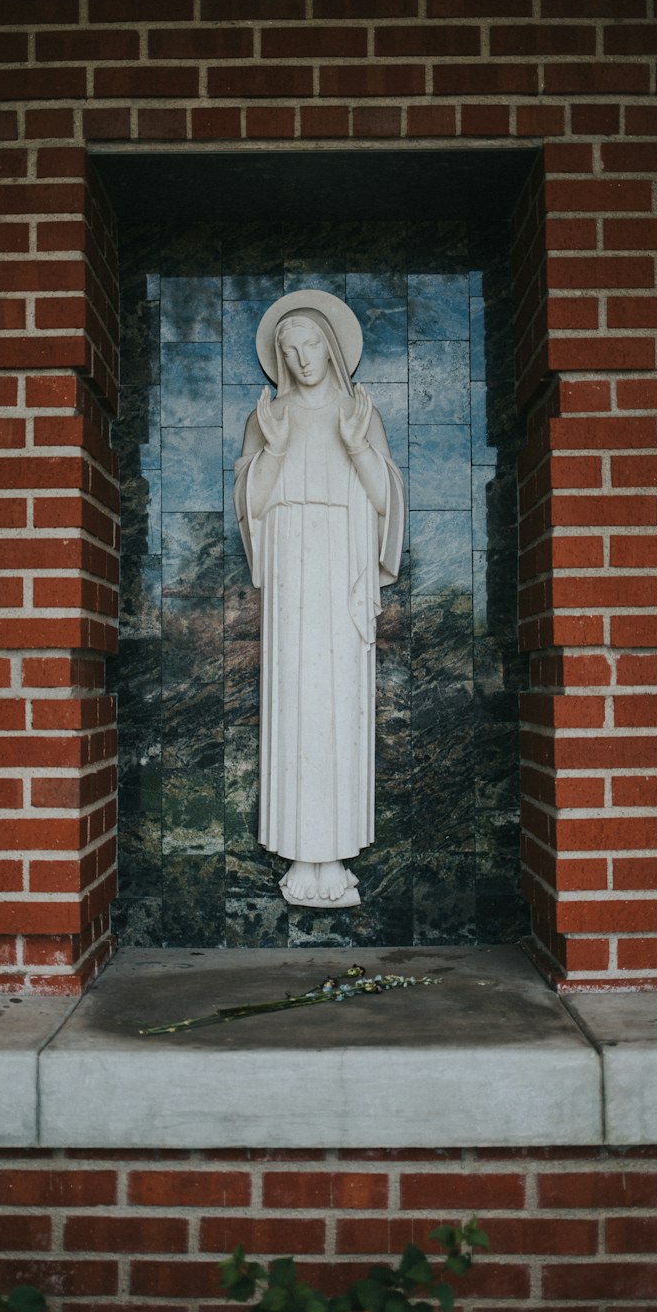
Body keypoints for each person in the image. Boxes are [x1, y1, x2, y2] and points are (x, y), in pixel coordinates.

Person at [234, 290, 405, 908]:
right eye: (289, 350)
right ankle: (302, 856)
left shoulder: (359, 409)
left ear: (331, 348)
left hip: (340, 577)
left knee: (338, 707)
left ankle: (333, 857)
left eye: (310, 345)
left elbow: (386, 505)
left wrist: (359, 445)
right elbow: (251, 508)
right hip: (290, 585)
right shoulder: (268, 416)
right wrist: (275, 446)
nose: (302, 359)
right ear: (278, 359)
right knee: (295, 705)